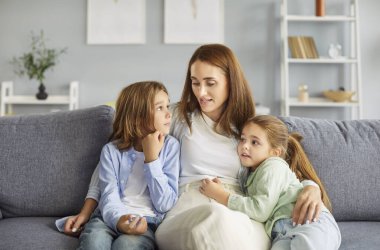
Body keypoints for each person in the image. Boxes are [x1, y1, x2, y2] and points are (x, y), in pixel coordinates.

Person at [58, 44, 322, 249]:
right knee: (213, 218)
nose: (201, 92)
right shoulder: (178, 117)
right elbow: (120, 150)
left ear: (231, 81)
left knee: (226, 224)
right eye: (195, 82)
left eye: (210, 83)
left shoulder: (249, 127)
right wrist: (87, 210)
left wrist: (312, 188)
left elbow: (279, 167)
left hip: (236, 210)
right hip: (186, 209)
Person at [200, 115, 341, 250]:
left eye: (254, 142)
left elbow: (260, 210)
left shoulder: (273, 166)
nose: (244, 146)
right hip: (282, 233)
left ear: (275, 152)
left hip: (310, 223)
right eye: (242, 139)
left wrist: (222, 195)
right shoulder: (250, 175)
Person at [76, 81, 180, 250]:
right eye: (160, 108)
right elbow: (109, 195)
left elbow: (165, 203)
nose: (169, 114)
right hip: (108, 217)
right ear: (137, 116)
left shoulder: (171, 147)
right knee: (94, 243)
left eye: (167, 106)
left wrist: (151, 158)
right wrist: (119, 220)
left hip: (147, 221)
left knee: (127, 246)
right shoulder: (111, 151)